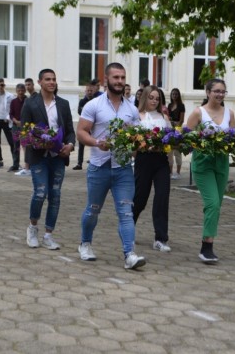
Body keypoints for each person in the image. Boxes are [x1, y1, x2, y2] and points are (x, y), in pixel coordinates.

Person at [76, 62, 146, 270]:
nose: (120, 81)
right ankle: (85, 243)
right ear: (106, 79)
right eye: (116, 77)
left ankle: (129, 254)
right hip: (99, 166)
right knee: (93, 210)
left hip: (123, 168)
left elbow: (136, 137)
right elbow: (81, 132)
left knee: (126, 212)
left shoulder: (131, 109)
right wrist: (98, 143)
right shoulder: (93, 105)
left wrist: (138, 145)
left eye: (123, 78)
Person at [21, 68, 76, 250]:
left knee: (55, 196)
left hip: (58, 156)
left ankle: (48, 235)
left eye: (53, 79)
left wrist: (70, 145)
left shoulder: (63, 104)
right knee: (40, 193)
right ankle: (33, 228)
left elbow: (69, 130)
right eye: (47, 79)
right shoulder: (30, 103)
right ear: (40, 82)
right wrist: (36, 142)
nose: (51, 82)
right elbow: (24, 131)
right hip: (38, 156)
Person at [186, 78, 235, 263]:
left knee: (216, 205)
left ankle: (207, 243)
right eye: (216, 91)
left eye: (223, 91)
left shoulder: (229, 113)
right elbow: (184, 136)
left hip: (221, 163)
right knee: (213, 203)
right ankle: (206, 247)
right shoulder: (199, 113)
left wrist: (234, 143)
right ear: (207, 92)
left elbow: (233, 137)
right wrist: (201, 141)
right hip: (203, 163)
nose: (220, 94)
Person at [132, 85, 173, 253]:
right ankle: (129, 228)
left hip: (161, 161)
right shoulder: (137, 116)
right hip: (144, 160)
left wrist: (170, 160)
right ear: (145, 98)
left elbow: (170, 139)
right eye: (151, 98)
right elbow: (132, 142)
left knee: (162, 197)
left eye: (157, 98)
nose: (154, 101)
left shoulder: (164, 117)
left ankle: (160, 238)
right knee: (140, 197)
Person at [73, 83, 98, 170]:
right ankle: (79, 163)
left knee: (94, 143)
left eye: (91, 90)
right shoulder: (82, 101)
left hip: (94, 126)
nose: (90, 92)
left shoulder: (96, 101)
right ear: (85, 91)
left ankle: (93, 160)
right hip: (84, 125)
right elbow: (79, 112)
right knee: (81, 144)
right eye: (88, 90)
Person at [9, 83, 27, 172]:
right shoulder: (13, 102)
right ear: (16, 91)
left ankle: (27, 164)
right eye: (19, 90)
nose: (20, 92)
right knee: (16, 146)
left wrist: (23, 122)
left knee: (25, 146)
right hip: (15, 126)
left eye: (22, 90)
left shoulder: (28, 100)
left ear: (25, 91)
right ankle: (15, 164)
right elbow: (11, 114)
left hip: (25, 127)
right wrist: (15, 121)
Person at [168, 88, 186, 180]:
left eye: (176, 94)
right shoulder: (169, 105)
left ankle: (178, 172)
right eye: (173, 94)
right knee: (169, 150)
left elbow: (182, 119)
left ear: (178, 95)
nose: (174, 95)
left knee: (178, 151)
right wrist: (170, 123)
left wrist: (176, 127)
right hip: (170, 128)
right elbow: (168, 117)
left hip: (178, 128)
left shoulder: (181, 105)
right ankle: (170, 172)